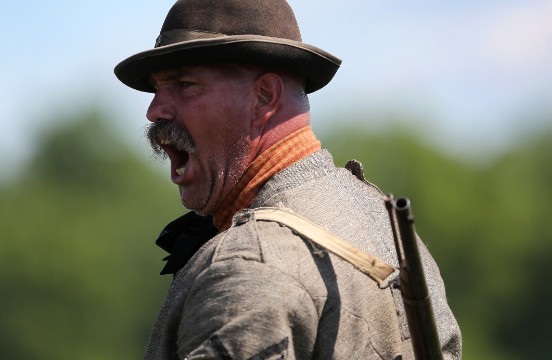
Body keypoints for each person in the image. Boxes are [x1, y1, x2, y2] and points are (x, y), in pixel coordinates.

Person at [115, 0, 462, 359]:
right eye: (157, 88)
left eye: (185, 84)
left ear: (265, 97)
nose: (154, 110)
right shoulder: (383, 224)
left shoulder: (246, 269)